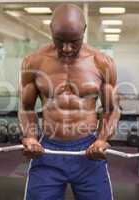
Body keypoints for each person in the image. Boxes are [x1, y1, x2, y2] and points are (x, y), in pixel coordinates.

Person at [19, 3, 120, 200]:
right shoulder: (34, 62)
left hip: (88, 152)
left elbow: (112, 109)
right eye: (60, 41)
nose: (66, 48)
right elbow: (26, 107)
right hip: (47, 150)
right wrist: (30, 136)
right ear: (51, 31)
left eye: (74, 41)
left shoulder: (102, 63)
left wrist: (102, 139)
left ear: (84, 31)